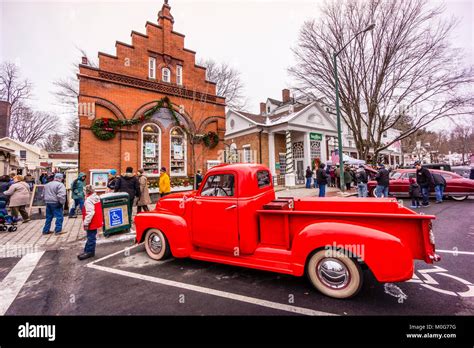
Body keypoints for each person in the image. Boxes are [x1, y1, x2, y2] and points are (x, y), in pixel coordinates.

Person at [77, 185, 103, 261]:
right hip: (96, 220)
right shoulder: (96, 197)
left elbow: (90, 212)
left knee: (91, 236)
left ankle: (89, 252)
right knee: (91, 236)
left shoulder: (88, 200)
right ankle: (87, 250)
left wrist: (86, 223)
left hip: (91, 221)